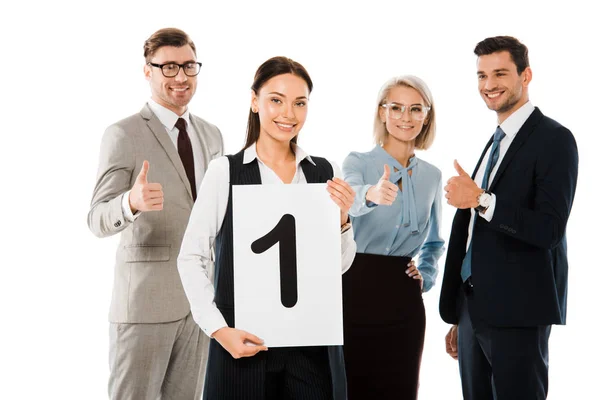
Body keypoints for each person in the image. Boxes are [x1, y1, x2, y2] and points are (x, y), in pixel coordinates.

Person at [177, 56, 357, 400]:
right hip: (243, 343)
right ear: (254, 100)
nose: (288, 114)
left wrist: (343, 221)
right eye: (276, 100)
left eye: (299, 103)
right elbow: (191, 256)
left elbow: (339, 267)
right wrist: (217, 329)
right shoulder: (224, 172)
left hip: (311, 347)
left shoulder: (322, 171)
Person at [87, 28, 223, 399]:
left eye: (189, 66)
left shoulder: (211, 135)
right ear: (148, 71)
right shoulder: (123, 134)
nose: (181, 77)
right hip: (145, 305)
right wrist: (129, 203)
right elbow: (96, 217)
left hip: (200, 303)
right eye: (169, 67)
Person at [439, 36, 579, 400]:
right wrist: (460, 312)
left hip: (518, 312)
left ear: (526, 75)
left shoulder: (555, 139)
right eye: (482, 75)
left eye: (500, 73)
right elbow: (475, 233)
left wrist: (482, 199)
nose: (489, 85)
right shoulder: (495, 140)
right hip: (474, 309)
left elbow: (549, 228)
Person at [341, 75, 445, 399]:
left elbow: (435, 241)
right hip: (355, 288)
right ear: (382, 112)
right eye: (396, 107)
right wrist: (371, 194)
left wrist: (425, 276)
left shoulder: (432, 176)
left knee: (400, 388)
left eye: (416, 109)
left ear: (426, 116)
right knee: (352, 387)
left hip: (403, 298)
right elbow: (350, 197)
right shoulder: (358, 161)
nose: (405, 117)